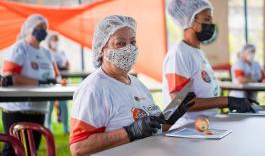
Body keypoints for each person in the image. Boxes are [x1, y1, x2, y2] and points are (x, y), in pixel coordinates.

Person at [69, 15, 194, 156]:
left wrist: (168, 120)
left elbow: (148, 129)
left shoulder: (138, 85)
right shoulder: (93, 89)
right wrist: (129, 132)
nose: (129, 48)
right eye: (120, 44)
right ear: (102, 50)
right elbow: (78, 147)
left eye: (132, 42)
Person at [162, 0, 254, 130]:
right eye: (207, 20)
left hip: (203, 127)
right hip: (186, 130)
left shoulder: (197, 53)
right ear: (191, 21)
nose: (211, 25)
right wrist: (227, 101)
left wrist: (236, 103)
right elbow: (179, 101)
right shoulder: (180, 53)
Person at [0, 14, 59, 156]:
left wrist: (54, 81)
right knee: (14, 150)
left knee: (32, 150)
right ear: (29, 28)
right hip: (17, 108)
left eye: (45, 28)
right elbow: (8, 75)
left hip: (39, 108)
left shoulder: (47, 53)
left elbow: (56, 76)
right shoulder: (20, 48)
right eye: (39, 28)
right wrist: (38, 82)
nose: (43, 31)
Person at [46, 32, 70, 134]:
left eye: (57, 40)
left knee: (64, 104)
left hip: (62, 80)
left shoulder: (62, 52)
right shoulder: (46, 52)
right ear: (49, 41)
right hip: (51, 81)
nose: (55, 42)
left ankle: (66, 127)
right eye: (53, 40)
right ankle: (48, 126)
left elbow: (67, 65)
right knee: (49, 104)